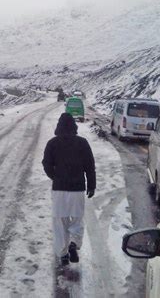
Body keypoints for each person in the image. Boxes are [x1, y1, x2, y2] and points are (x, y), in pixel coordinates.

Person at [42, 113, 96, 265]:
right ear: (74, 126)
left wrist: (55, 177)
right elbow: (90, 167)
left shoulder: (52, 143)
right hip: (77, 189)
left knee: (60, 222)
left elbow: (46, 164)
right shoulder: (82, 143)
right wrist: (91, 185)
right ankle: (74, 243)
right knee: (77, 219)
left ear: (59, 126)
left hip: (59, 189)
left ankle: (63, 254)